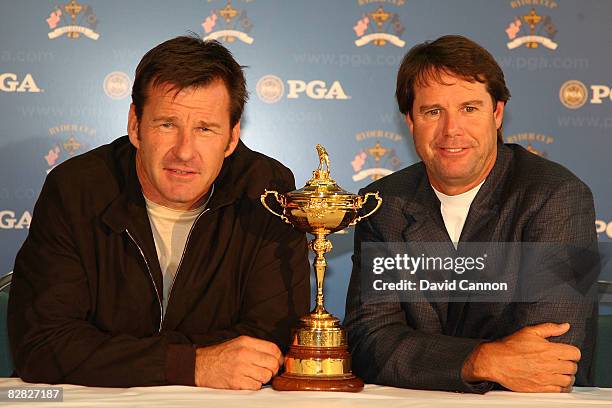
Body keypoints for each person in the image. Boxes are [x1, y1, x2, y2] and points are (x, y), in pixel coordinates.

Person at [8, 36, 310, 390]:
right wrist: (191, 365)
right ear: (135, 125)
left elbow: (267, 342)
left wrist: (119, 355)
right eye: (167, 124)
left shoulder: (265, 189)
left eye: (204, 129)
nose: (184, 151)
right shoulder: (77, 190)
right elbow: (44, 345)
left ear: (231, 137)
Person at [345, 35, 598, 393]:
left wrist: (430, 358)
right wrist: (480, 360)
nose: (451, 130)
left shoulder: (558, 197)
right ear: (410, 121)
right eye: (433, 112)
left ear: (497, 113)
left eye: (469, 108)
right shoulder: (382, 204)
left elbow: (549, 357)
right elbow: (369, 343)